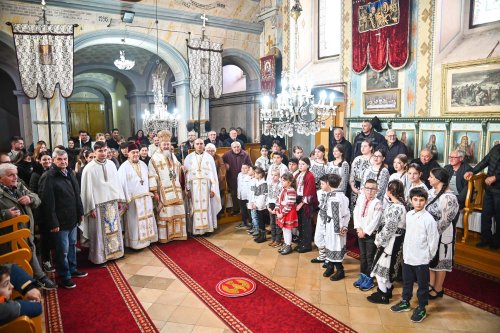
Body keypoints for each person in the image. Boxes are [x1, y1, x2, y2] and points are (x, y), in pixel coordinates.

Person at [0, 163, 57, 289]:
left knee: (30, 252)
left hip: (26, 230)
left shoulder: (19, 185)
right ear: (1, 178)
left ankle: (34, 280)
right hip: (9, 237)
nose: (15, 177)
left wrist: (29, 198)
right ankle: (33, 281)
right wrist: (5, 214)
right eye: (11, 175)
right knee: (18, 260)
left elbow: (37, 199)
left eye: (16, 174)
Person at [38, 149, 87, 288]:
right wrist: (53, 222)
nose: (63, 162)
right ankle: (64, 276)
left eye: (65, 159)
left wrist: (80, 211)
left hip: (71, 217)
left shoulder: (69, 172)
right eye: (59, 159)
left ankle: (72, 269)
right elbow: (47, 202)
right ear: (53, 160)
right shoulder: (49, 176)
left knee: (72, 246)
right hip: (59, 221)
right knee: (62, 250)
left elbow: (76, 194)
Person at [391, 187, 438, 323]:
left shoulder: (428, 219)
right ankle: (406, 301)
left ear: (426, 201)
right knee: (407, 281)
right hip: (408, 256)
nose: (418, 203)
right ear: (411, 200)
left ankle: (422, 307)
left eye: (421, 200)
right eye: (415, 200)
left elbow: (433, 240)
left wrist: (428, 256)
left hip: (422, 259)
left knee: (423, 285)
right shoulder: (409, 215)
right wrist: (404, 254)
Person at [80, 141, 126, 265]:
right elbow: (86, 191)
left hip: (112, 204)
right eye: (100, 151)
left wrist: (120, 199)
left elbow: (116, 183)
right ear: (94, 152)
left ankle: (115, 253)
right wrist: (91, 208)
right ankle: (99, 258)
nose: (103, 153)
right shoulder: (89, 169)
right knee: (99, 234)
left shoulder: (111, 164)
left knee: (114, 230)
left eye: (105, 150)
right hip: (98, 206)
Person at [367, 180, 407, 304]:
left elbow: (390, 228)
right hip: (393, 240)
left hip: (390, 242)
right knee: (385, 268)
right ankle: (387, 289)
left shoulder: (396, 208)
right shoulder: (398, 205)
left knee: (382, 268)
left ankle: (383, 295)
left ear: (389, 192)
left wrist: (379, 240)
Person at [425, 168, 459, 299]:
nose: (428, 179)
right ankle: (430, 284)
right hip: (431, 231)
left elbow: (445, 221)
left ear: (438, 179)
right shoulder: (432, 191)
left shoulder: (449, 198)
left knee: (440, 262)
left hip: (443, 233)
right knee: (431, 261)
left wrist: (433, 234)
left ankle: (438, 289)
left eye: (431, 177)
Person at [148, 130, 187, 243]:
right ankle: (166, 237)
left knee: (177, 211)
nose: (166, 146)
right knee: (167, 213)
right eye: (164, 144)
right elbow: (152, 175)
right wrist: (155, 192)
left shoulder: (172, 156)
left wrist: (181, 168)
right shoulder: (154, 159)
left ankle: (178, 235)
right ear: (159, 144)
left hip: (176, 189)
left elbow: (176, 169)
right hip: (164, 191)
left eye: (168, 144)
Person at [117, 143, 158, 249]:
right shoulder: (123, 167)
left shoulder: (144, 165)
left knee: (147, 219)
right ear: (128, 154)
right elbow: (120, 185)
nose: (135, 154)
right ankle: (134, 243)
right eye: (133, 152)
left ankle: (147, 240)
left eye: (136, 152)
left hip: (145, 198)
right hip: (132, 200)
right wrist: (124, 200)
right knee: (134, 222)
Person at [464, 144, 500, 248]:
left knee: (499, 217)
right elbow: (485, 161)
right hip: (489, 189)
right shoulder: (496, 148)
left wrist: (496, 178)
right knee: (486, 215)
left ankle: (497, 242)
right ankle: (485, 239)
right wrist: (472, 171)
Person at [184, 139, 221, 236]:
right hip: (194, 187)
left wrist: (213, 189)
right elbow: (186, 176)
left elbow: (213, 175)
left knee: (207, 206)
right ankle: (196, 230)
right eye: (197, 144)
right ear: (194, 145)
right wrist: (187, 189)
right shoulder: (188, 158)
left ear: (204, 145)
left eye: (201, 144)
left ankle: (207, 229)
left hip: (206, 187)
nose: (199, 146)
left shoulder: (209, 157)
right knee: (194, 207)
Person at [352, 179, 383, 292]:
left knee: (370, 257)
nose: (370, 191)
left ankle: (369, 278)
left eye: (373, 189)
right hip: (360, 232)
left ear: (377, 190)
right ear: (364, 189)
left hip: (370, 235)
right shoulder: (361, 199)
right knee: (363, 256)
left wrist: (365, 231)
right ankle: (363, 276)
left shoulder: (377, 203)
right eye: (367, 189)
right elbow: (356, 213)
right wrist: (358, 228)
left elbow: (375, 221)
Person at [322, 174, 350, 281]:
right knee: (331, 245)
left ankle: (340, 270)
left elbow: (336, 215)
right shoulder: (341, 195)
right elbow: (347, 213)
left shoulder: (334, 198)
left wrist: (339, 229)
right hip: (337, 225)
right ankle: (330, 266)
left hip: (335, 226)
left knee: (335, 246)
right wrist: (345, 226)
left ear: (328, 183)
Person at [295, 157, 318, 253]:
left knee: (306, 224)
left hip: (306, 202)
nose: (300, 166)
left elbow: (309, 192)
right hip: (299, 199)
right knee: (300, 223)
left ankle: (307, 245)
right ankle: (301, 242)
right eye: (299, 164)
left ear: (308, 165)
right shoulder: (298, 174)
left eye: (303, 164)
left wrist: (301, 204)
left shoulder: (310, 176)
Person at [222, 141, 252, 215]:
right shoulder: (226, 154)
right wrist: (225, 165)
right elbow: (222, 163)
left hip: (244, 178)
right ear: (231, 148)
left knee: (245, 194)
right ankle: (236, 210)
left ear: (240, 147)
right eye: (234, 147)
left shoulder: (245, 154)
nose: (236, 148)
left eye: (238, 147)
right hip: (232, 177)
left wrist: (250, 173)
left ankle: (246, 211)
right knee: (234, 194)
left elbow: (250, 165)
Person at [276, 172, 298, 255]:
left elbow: (289, 205)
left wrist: (282, 213)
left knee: (287, 229)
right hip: (282, 212)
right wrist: (278, 210)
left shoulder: (291, 191)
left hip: (288, 213)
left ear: (289, 182)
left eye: (284, 181)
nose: (281, 182)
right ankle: (286, 244)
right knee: (284, 229)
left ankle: (288, 246)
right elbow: (278, 200)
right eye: (281, 180)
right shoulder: (283, 189)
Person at [349, 140, 373, 211]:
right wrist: (353, 187)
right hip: (355, 187)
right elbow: (352, 174)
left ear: (371, 148)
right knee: (354, 210)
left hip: (367, 188)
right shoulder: (357, 158)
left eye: (365, 146)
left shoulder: (373, 159)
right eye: (361, 146)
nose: (362, 148)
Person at [249, 167, 269, 243]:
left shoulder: (263, 183)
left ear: (260, 175)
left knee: (261, 221)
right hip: (256, 204)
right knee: (259, 220)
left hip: (261, 206)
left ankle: (263, 236)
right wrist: (253, 202)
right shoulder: (257, 182)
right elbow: (255, 194)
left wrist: (257, 205)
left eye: (256, 173)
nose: (254, 174)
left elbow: (262, 196)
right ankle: (260, 235)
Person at [267, 168, 283, 247]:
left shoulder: (281, 185)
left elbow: (280, 198)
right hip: (271, 204)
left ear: (279, 176)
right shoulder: (270, 184)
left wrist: (276, 209)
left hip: (277, 206)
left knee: (278, 223)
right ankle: (273, 239)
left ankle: (278, 240)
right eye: (272, 175)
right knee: (272, 223)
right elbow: (268, 195)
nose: (273, 177)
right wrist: (268, 206)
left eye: (276, 175)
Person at [236, 163, 252, 230]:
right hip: (240, 195)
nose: (243, 169)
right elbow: (238, 184)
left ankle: (251, 223)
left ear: (248, 169)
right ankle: (244, 222)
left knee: (249, 210)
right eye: (242, 168)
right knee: (243, 210)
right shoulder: (239, 174)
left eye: (245, 168)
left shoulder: (250, 176)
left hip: (247, 196)